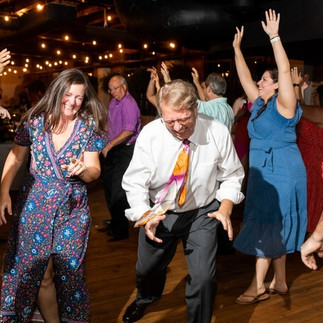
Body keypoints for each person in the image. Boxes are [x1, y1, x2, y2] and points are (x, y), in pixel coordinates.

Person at [121, 79, 244, 322]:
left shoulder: (217, 131)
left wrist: (226, 206)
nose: (177, 127)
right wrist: (146, 214)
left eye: (183, 119)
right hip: (160, 210)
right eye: (169, 121)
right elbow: (135, 182)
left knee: (204, 279)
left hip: (202, 212)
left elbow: (232, 175)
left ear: (196, 109)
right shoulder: (151, 135)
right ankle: (146, 297)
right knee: (148, 269)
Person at [0, 68, 107, 322]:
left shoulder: (87, 127)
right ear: (57, 92)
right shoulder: (35, 122)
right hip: (35, 206)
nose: (73, 102)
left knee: (70, 273)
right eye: (68, 95)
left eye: (79, 97)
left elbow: (95, 172)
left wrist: (84, 170)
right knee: (41, 272)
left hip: (72, 210)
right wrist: (3, 191)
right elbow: (15, 159)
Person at [232, 9, 307, 305]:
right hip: (263, 174)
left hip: (284, 173)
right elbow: (244, 76)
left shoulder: (285, 105)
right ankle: (281, 281)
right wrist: (237, 49)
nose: (259, 83)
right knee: (271, 223)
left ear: (277, 84)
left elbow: (284, 70)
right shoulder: (260, 105)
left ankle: (258, 285)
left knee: (271, 225)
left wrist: (275, 37)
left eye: (265, 80)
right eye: (260, 80)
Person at [101, 74, 141, 241]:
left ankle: (121, 230)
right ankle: (115, 221)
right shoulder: (114, 102)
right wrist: (103, 138)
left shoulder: (129, 104)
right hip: (114, 148)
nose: (113, 92)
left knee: (118, 190)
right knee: (109, 186)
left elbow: (129, 131)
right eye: (110, 89)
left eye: (115, 89)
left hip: (126, 150)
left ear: (124, 87)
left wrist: (109, 145)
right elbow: (109, 124)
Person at [292, 67, 323, 234]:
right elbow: (302, 112)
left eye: (316, 94)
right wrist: (301, 90)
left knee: (313, 203)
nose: (314, 96)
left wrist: (296, 84)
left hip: (314, 167)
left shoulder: (319, 113)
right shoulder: (315, 115)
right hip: (310, 164)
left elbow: (298, 107)